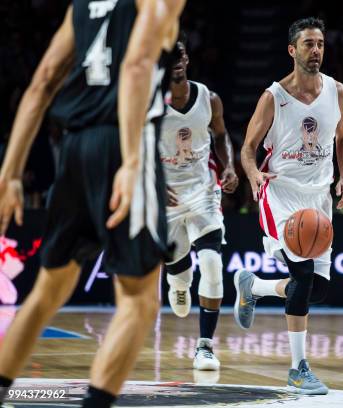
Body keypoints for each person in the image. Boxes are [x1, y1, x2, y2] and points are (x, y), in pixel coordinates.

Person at [0, 1, 185, 407]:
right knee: (139, 300)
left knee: (48, 290)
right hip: (124, 140)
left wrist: (10, 173)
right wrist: (132, 158)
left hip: (74, 146)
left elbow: (43, 80)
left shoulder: (81, 4)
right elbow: (137, 64)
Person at [235, 17, 343, 395]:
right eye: (308, 44)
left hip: (318, 199)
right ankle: (297, 369)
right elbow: (248, 149)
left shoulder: (339, 93)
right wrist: (252, 174)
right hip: (281, 194)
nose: (315, 50)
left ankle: (253, 287)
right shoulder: (274, 97)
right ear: (292, 50)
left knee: (315, 289)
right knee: (302, 279)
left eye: (320, 44)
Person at [160, 35, 238, 371]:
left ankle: (204, 346)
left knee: (212, 265)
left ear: (187, 60)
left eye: (181, 55)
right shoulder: (150, 102)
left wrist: (230, 166)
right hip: (166, 196)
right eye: (170, 56)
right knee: (179, 270)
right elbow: (133, 146)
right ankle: (177, 281)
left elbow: (220, 135)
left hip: (203, 191)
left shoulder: (210, 98)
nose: (177, 60)